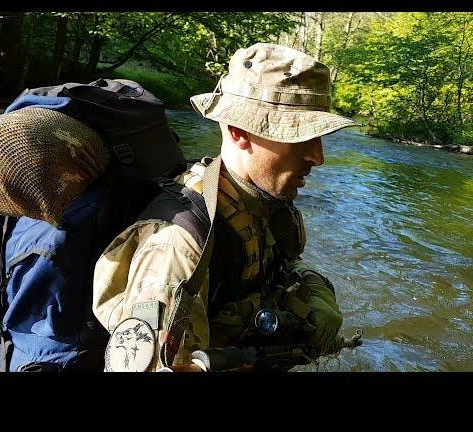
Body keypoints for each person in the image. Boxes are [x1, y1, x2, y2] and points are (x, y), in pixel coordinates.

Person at [93, 42, 358, 372]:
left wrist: (315, 294)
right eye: (299, 136)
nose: (317, 157)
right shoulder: (177, 248)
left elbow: (281, 267)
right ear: (239, 131)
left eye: (318, 138)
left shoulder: (267, 203)